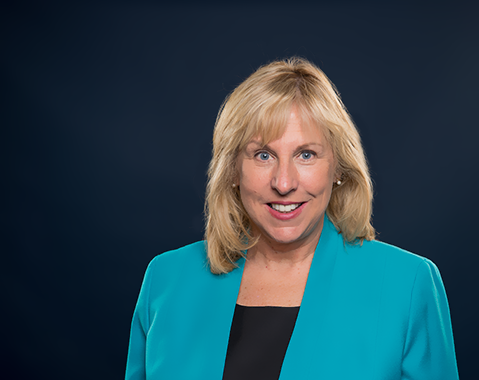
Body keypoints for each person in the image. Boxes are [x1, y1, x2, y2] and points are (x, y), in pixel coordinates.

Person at [125, 57, 459, 380]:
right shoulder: (165, 281)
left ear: (338, 168)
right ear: (233, 171)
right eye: (263, 155)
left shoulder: (408, 285)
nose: (284, 183)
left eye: (306, 154)